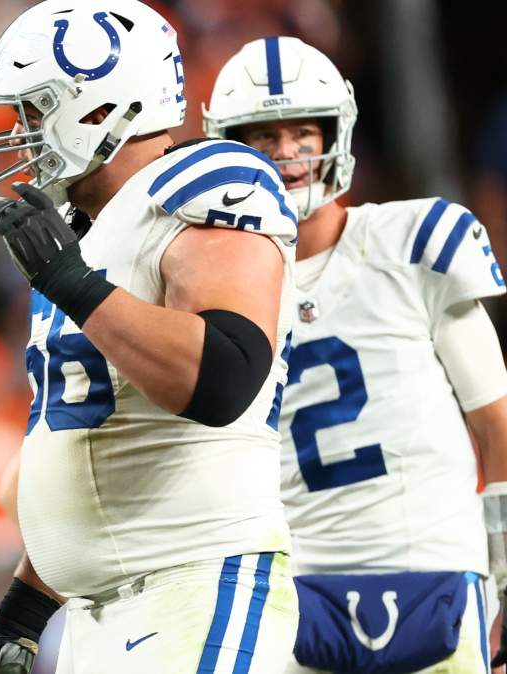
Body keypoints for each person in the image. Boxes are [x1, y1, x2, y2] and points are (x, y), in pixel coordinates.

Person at [0, 2, 301, 672]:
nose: (21, 133)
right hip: (100, 612)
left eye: (34, 110)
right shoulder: (80, 230)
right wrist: (21, 615)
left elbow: (224, 375)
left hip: (195, 581)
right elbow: (92, 453)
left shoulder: (205, 183)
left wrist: (75, 284)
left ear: (99, 108)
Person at [204, 36, 507, 674]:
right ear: (229, 149)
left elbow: (495, 423)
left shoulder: (411, 242)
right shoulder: (213, 287)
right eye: (264, 137)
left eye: (302, 133)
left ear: (335, 135)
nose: (287, 153)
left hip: (435, 564)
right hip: (298, 587)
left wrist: (506, 567)